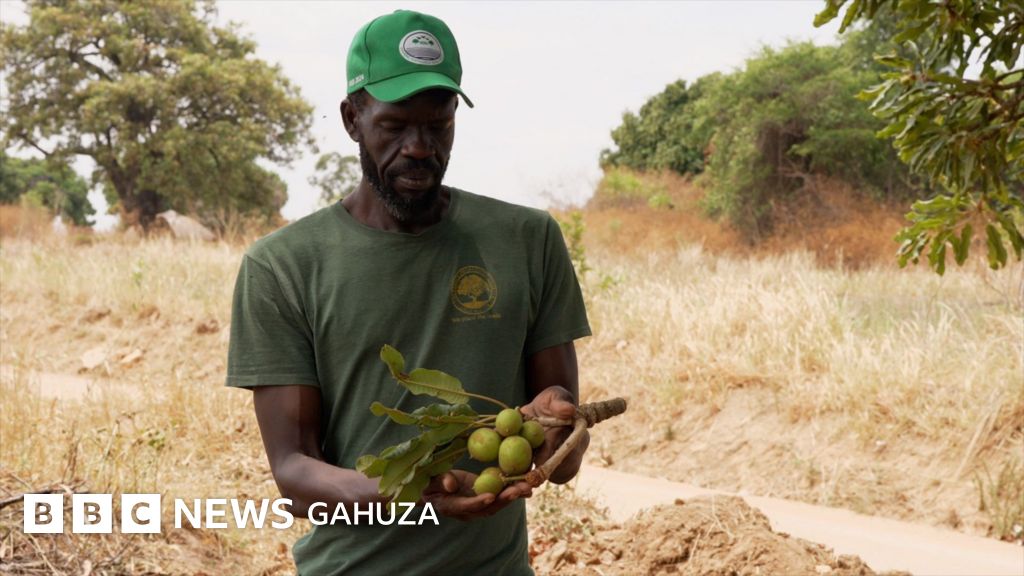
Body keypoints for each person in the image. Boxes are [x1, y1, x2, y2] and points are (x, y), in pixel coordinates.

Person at [226, 9, 591, 575]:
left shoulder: (527, 240)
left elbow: (563, 459)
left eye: (438, 125)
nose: (420, 147)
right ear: (352, 119)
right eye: (395, 126)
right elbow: (294, 474)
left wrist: (558, 429)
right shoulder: (283, 267)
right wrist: (417, 496)